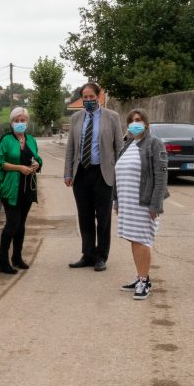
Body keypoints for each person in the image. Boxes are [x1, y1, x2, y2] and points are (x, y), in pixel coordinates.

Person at [64, 82, 124, 271]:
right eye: (85, 97)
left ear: (99, 97)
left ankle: (101, 256)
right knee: (85, 216)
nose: (88, 100)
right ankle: (87, 254)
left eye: (92, 97)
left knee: (103, 217)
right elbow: (71, 148)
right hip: (81, 173)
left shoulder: (112, 117)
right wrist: (68, 172)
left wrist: (120, 174)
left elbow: (119, 148)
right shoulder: (75, 118)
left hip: (103, 172)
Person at [113, 108, 168, 300]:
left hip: (144, 203)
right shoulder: (127, 145)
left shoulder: (154, 144)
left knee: (142, 240)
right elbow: (117, 174)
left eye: (139, 120)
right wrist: (117, 200)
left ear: (146, 123)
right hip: (127, 202)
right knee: (134, 239)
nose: (135, 123)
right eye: (131, 120)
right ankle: (140, 277)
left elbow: (161, 176)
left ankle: (144, 282)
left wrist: (155, 204)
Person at [0, 107, 42, 274]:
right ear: (11, 122)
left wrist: (37, 163)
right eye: (16, 120)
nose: (20, 123)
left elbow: (37, 157)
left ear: (27, 122)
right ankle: (2, 261)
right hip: (10, 187)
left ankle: (17, 257)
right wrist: (19, 168)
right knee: (12, 223)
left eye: (23, 120)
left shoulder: (31, 139)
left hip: (27, 187)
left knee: (21, 224)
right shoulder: (5, 140)